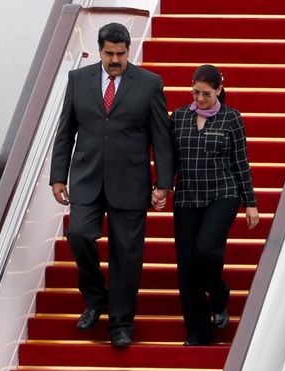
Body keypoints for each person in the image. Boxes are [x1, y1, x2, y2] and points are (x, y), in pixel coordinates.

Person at [49, 23, 173, 349]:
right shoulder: (78, 80)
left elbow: (161, 136)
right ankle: (95, 298)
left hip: (130, 182)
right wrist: (58, 175)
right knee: (78, 235)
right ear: (100, 49)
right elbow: (65, 131)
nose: (115, 59)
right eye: (109, 53)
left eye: (121, 53)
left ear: (128, 50)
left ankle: (121, 324)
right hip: (86, 178)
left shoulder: (149, 84)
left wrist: (163, 182)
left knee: (127, 255)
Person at [164, 64, 259, 346]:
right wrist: (162, 187)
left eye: (206, 93)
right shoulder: (179, 117)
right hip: (187, 196)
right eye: (195, 92)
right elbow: (172, 159)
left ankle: (219, 296)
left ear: (218, 90)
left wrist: (250, 202)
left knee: (206, 251)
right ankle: (197, 331)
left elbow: (240, 162)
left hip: (223, 193)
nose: (200, 98)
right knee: (187, 265)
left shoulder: (231, 118)